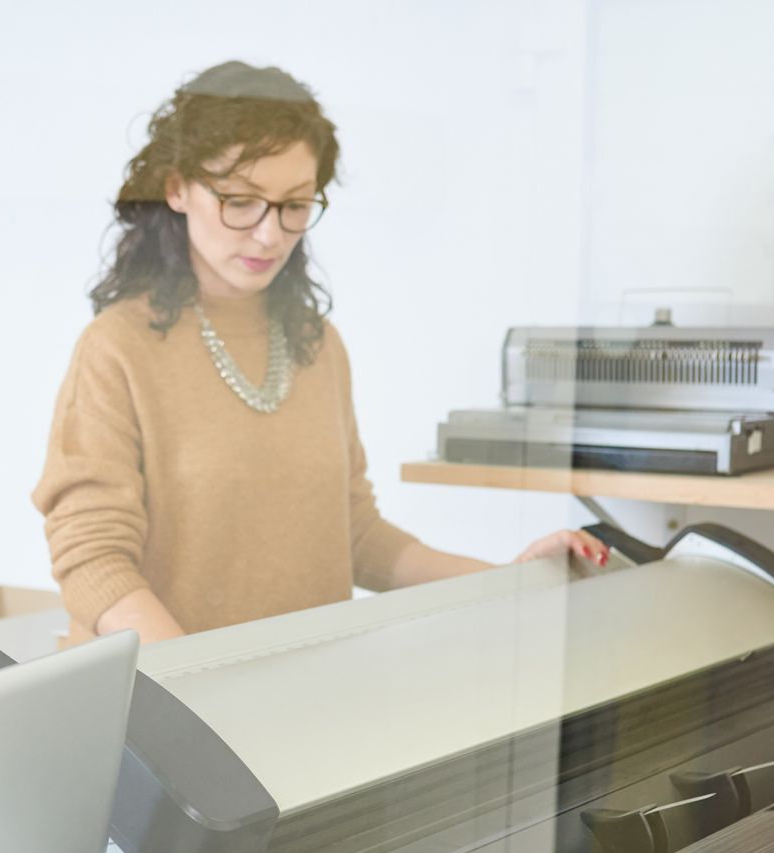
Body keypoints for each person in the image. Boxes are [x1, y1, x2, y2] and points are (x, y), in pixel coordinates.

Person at [32, 61, 606, 644]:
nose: (268, 234)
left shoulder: (317, 346)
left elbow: (352, 534)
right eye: (240, 200)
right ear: (177, 188)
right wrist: (188, 683)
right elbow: (92, 557)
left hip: (301, 695)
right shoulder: (116, 348)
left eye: (294, 205)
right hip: (166, 708)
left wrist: (512, 582)